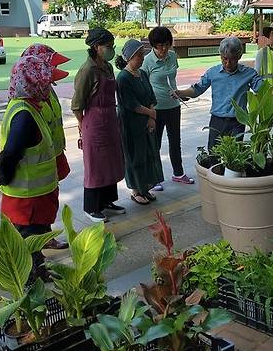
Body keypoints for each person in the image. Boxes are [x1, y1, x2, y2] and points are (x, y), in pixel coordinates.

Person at [0, 51, 68, 280]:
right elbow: (11, 153)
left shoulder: (29, 105)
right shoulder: (23, 113)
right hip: (27, 196)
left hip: (35, 193)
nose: (48, 89)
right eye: (43, 84)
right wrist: (0, 176)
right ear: (31, 83)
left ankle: (37, 268)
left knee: (34, 237)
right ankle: (31, 278)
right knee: (28, 240)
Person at [173, 37, 273, 150]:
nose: (228, 63)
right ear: (220, 56)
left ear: (239, 57)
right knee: (214, 156)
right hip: (217, 120)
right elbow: (197, 89)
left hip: (238, 122)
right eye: (224, 59)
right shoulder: (213, 72)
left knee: (235, 159)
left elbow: (263, 89)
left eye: (232, 60)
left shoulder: (248, 73)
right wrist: (181, 92)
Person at [19, 43, 73, 250]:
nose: (52, 71)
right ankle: (39, 243)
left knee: (49, 201)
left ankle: (46, 235)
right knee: (38, 205)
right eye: (48, 65)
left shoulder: (47, 90)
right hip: (38, 162)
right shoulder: (30, 95)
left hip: (53, 155)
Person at [71, 27, 125, 223]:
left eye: (112, 46)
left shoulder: (108, 67)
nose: (111, 50)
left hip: (110, 120)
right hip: (94, 123)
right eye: (108, 46)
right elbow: (77, 104)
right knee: (95, 166)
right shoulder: (87, 71)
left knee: (110, 162)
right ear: (96, 47)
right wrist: (81, 124)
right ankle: (91, 207)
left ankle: (107, 201)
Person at [141, 26, 194, 192]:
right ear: (153, 45)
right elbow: (144, 86)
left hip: (173, 106)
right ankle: (153, 178)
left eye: (166, 44)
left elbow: (172, 78)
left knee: (175, 141)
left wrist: (179, 94)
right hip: (155, 109)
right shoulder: (147, 61)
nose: (163, 49)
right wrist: (148, 111)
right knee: (154, 144)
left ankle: (178, 173)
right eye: (159, 45)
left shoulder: (172, 56)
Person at [116, 39, 164, 205]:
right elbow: (131, 104)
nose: (142, 58)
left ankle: (145, 188)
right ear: (129, 57)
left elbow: (151, 96)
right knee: (134, 157)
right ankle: (136, 190)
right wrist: (151, 113)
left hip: (146, 122)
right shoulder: (123, 77)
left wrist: (151, 118)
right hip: (131, 124)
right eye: (138, 55)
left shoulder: (142, 73)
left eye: (142, 55)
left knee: (148, 155)